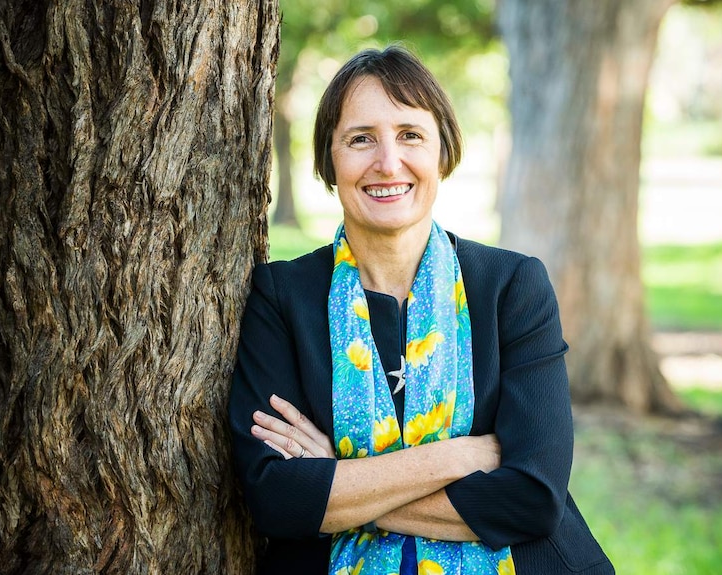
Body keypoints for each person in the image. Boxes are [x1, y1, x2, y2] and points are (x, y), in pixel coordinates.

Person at [229, 45, 614, 575]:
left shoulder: (511, 287)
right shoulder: (282, 295)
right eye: (360, 139)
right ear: (329, 161)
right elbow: (278, 499)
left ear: (442, 151)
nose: (388, 163)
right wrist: (460, 457)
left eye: (411, 135)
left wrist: (341, 481)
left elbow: (533, 497)